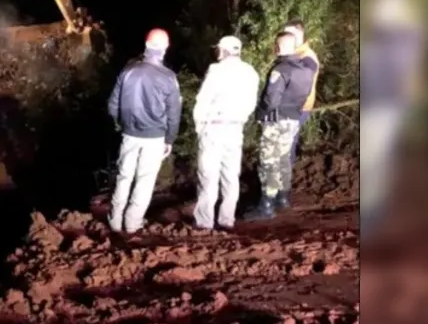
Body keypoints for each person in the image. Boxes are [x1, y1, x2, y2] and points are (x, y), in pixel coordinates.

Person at [360, 0, 426, 240]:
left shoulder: (401, 39)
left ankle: (373, 216)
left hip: (382, 105)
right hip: (379, 104)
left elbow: (401, 75)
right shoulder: (392, 37)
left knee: (376, 160)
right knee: (376, 161)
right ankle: (375, 213)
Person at [106, 28, 182, 234]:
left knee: (123, 177)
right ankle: (132, 223)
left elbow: (112, 106)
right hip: (155, 137)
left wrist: (122, 125)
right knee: (145, 181)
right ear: (165, 49)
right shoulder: (168, 77)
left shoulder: (128, 70)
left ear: (146, 45)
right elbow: (174, 113)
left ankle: (115, 220)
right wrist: (170, 139)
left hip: (129, 134)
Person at [191, 36, 261, 231]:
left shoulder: (217, 70)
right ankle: (227, 219)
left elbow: (203, 99)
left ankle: (204, 221)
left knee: (208, 174)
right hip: (235, 128)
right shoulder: (251, 72)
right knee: (231, 175)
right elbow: (250, 104)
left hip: (213, 127)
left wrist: (199, 126)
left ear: (223, 50)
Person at [244, 32, 316, 220]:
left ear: (278, 47)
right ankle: (282, 199)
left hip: (276, 120)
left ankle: (266, 206)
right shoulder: (306, 68)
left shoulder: (281, 69)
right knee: (284, 158)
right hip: (293, 118)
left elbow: (271, 98)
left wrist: (261, 115)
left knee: (269, 161)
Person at [282, 19, 321, 169]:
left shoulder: (307, 58)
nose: (286, 37)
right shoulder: (295, 54)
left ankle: (281, 184)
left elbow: (299, 84)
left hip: (296, 108)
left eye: (290, 34)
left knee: (286, 145)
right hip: (291, 107)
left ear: (300, 35)